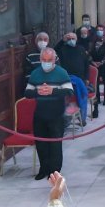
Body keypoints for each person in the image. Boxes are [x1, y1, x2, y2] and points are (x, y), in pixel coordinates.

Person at [24, 47, 72, 180]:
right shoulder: (35, 73)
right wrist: (38, 91)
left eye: (49, 60)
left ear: (54, 60)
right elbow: (27, 93)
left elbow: (69, 91)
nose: (46, 62)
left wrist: (53, 91)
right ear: (40, 60)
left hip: (56, 113)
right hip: (40, 114)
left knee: (55, 144)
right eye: (44, 60)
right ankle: (43, 169)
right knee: (41, 143)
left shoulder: (61, 72)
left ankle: (54, 172)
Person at [55, 31, 90, 127]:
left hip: (81, 79)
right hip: (66, 79)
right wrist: (62, 41)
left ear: (76, 39)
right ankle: (66, 119)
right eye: (69, 39)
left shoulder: (81, 49)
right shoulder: (63, 49)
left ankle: (82, 117)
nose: (71, 40)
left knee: (82, 96)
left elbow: (86, 64)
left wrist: (87, 78)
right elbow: (55, 51)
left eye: (73, 38)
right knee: (65, 98)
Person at [90, 23, 105, 115]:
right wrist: (93, 62)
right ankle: (98, 99)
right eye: (98, 30)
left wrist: (101, 62)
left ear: (104, 31)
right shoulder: (92, 41)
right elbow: (89, 53)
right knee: (96, 83)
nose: (100, 31)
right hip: (95, 64)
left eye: (101, 30)